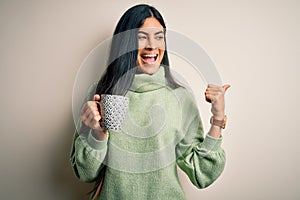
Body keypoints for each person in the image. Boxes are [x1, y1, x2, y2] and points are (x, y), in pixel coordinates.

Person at [70, 4, 230, 200]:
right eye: (142, 37)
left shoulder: (180, 97)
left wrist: (218, 119)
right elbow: (85, 173)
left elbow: (202, 173)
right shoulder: (102, 94)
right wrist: (97, 133)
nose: (152, 46)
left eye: (159, 36)